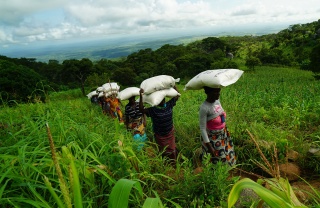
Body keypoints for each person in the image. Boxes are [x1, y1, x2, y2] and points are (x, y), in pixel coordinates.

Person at [139, 86, 180, 163]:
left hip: (170, 133)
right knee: (163, 151)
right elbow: (141, 109)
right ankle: (165, 164)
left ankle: (174, 163)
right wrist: (141, 96)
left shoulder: (169, 105)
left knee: (172, 149)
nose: (162, 100)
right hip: (160, 135)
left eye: (162, 98)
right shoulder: (153, 110)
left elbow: (177, 96)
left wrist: (173, 85)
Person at [199, 86, 236, 166]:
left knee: (227, 153)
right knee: (218, 158)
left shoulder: (217, 101)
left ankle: (227, 171)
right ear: (208, 93)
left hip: (223, 134)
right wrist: (209, 146)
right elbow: (202, 128)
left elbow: (219, 112)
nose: (218, 94)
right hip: (213, 138)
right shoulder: (204, 108)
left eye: (219, 91)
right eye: (215, 92)